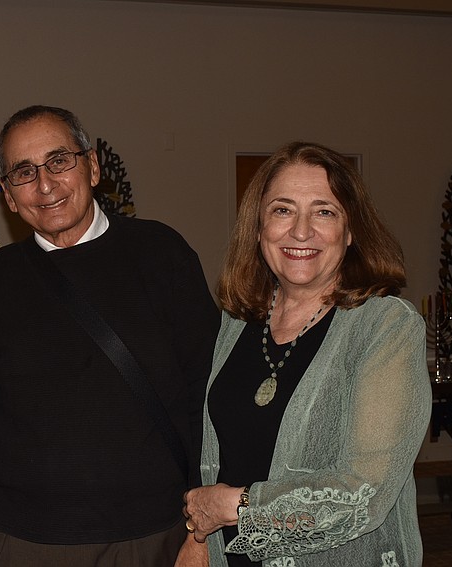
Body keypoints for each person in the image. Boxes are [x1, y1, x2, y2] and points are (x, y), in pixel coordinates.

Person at [0, 105, 220, 566]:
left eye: (59, 161)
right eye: (24, 172)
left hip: (154, 536)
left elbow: (206, 401)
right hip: (21, 542)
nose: (44, 184)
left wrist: (203, 532)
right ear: (8, 195)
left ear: (91, 166)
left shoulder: (162, 256)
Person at [178, 141, 432, 567]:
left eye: (324, 211)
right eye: (282, 210)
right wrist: (199, 537)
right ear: (258, 229)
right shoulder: (234, 323)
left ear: (351, 232)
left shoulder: (386, 327)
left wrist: (234, 507)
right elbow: (213, 457)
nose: (300, 231)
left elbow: (361, 495)